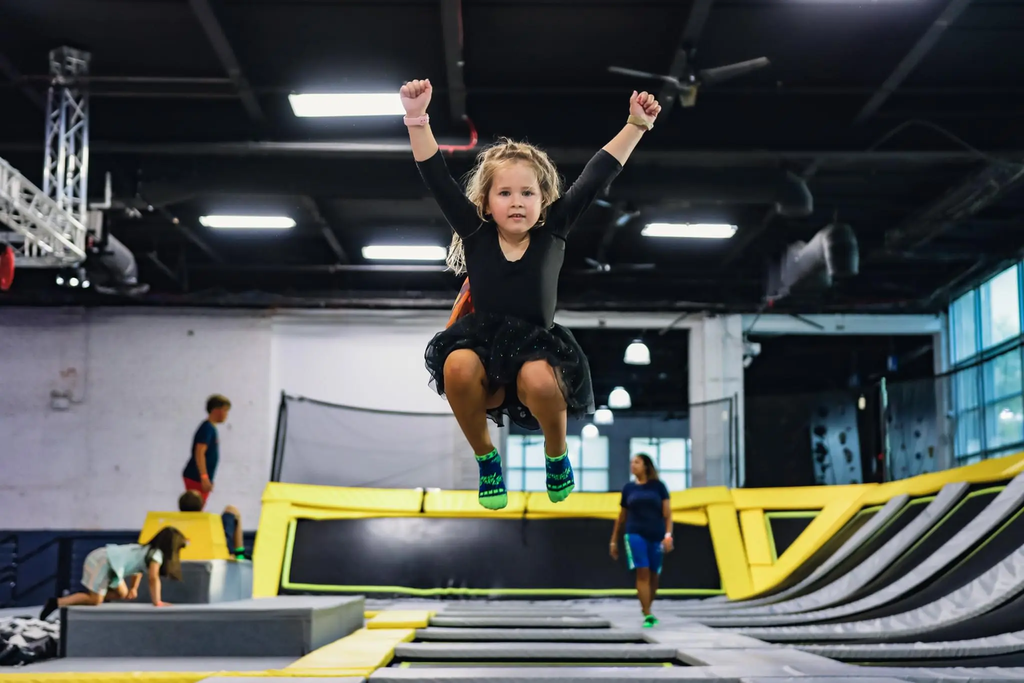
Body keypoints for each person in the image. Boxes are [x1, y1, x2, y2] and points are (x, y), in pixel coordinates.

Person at [401, 78, 661, 510]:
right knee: (456, 366)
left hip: (535, 348)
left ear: (544, 200)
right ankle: (487, 459)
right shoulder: (476, 233)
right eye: (505, 193)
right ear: (487, 203)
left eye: (527, 193)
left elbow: (597, 174)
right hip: (482, 349)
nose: (517, 202)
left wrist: (636, 124)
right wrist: (417, 119)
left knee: (539, 378)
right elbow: (436, 176)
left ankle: (556, 455)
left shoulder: (553, 230)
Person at [39, 527, 188, 619]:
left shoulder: (146, 551)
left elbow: (138, 571)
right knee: (95, 600)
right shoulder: (156, 554)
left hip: (109, 562)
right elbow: (153, 578)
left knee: (122, 594)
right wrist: (157, 601)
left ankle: (96, 593)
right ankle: (57, 602)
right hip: (103, 561)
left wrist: (133, 588)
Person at [610, 453, 673, 627]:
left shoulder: (659, 487)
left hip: (657, 535)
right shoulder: (629, 489)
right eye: (631, 462)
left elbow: (667, 515)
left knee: (654, 575)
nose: (633, 465)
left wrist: (668, 536)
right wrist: (613, 540)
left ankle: (647, 607)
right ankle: (647, 614)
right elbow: (621, 516)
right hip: (635, 534)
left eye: (637, 462)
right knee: (642, 572)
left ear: (645, 466)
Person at [182, 394, 231, 508]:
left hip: (199, 477)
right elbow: (199, 453)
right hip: (196, 477)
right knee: (195, 508)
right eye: (225, 410)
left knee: (199, 508)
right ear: (215, 410)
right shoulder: (207, 429)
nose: (226, 414)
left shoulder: (211, 428)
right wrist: (204, 477)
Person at [178, 490, 246, 559]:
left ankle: (239, 556)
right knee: (232, 510)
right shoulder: (208, 525)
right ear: (202, 506)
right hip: (215, 555)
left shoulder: (176, 525)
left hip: (187, 555)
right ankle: (240, 556)